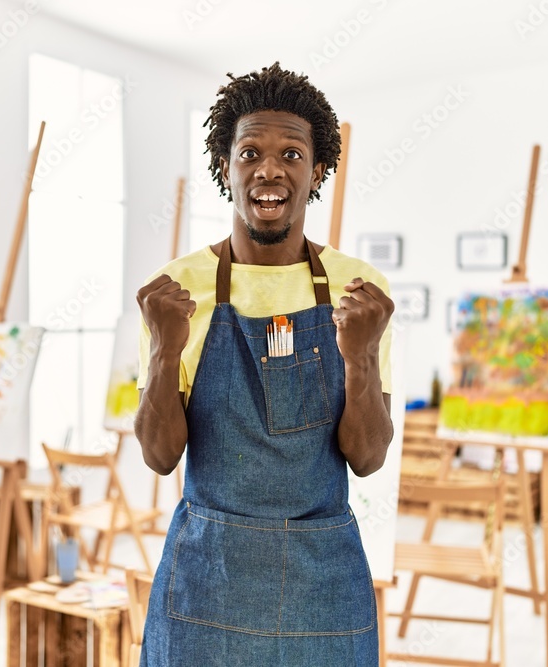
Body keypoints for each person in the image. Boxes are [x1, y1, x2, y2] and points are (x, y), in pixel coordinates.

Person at [135, 63, 394, 666]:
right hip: (208, 582)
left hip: (322, 585)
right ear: (226, 170)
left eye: (292, 153)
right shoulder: (175, 290)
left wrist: (358, 356)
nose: (269, 169)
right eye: (249, 151)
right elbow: (158, 455)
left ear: (317, 170)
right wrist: (163, 348)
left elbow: (368, 456)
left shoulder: (361, 291)